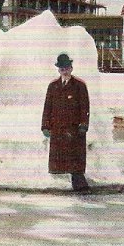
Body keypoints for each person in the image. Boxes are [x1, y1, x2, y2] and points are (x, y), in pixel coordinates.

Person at [41, 53, 90, 192]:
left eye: (67, 68)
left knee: (75, 158)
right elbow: (47, 107)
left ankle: (80, 184)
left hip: (74, 130)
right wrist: (45, 125)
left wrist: (84, 124)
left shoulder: (79, 85)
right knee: (60, 158)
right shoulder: (53, 86)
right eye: (62, 69)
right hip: (58, 129)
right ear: (58, 70)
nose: (65, 71)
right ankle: (62, 183)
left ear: (71, 68)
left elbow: (85, 107)